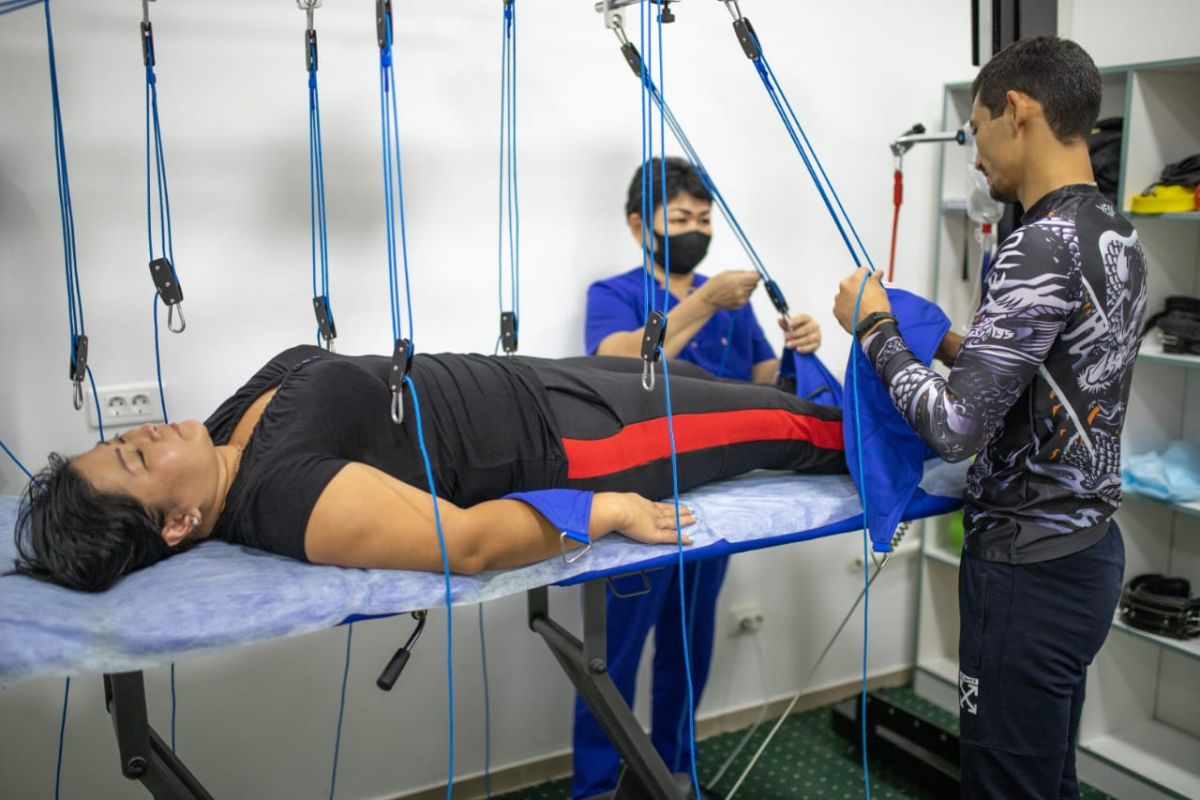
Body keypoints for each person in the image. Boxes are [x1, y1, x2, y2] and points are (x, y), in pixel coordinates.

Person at [833, 37, 1147, 800]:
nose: (976, 157)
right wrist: (948, 345)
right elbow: (1050, 371)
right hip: (1086, 553)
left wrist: (873, 327)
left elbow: (955, 430)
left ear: (1017, 111)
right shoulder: (1115, 232)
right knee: (1048, 780)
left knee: (1006, 787)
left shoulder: (1038, 244)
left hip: (1025, 574)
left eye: (977, 131)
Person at [14, 345, 845, 593]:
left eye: (125, 439)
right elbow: (468, 544)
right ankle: (919, 431)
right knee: (792, 428)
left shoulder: (229, 432)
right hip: (580, 440)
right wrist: (609, 513)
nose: (145, 433)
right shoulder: (283, 497)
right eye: (135, 456)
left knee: (734, 388)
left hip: (542, 378)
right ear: (177, 524)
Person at [573, 157, 826, 798]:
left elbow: (761, 379)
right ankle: (596, 788)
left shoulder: (732, 303)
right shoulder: (614, 294)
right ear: (641, 226)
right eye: (682, 218)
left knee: (688, 652)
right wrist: (702, 304)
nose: (697, 230)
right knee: (613, 657)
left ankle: (673, 778)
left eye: (705, 219)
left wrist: (797, 347)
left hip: (716, 500)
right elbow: (615, 360)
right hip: (636, 501)